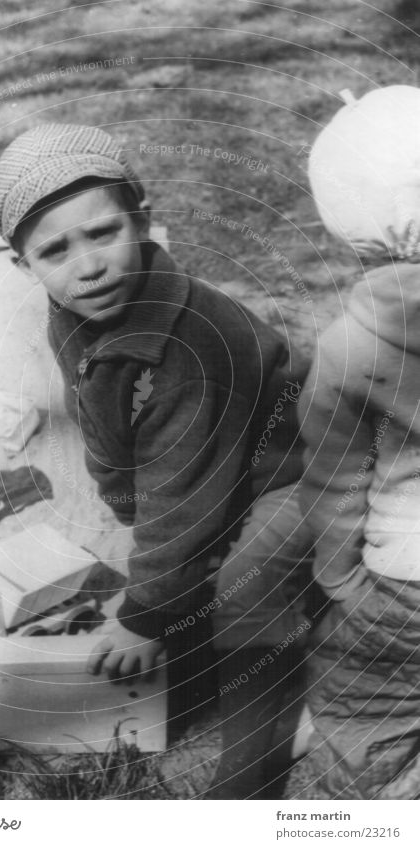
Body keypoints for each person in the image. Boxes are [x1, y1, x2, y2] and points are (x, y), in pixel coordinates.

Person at [0, 122, 312, 798]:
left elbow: (186, 499)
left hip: (297, 478)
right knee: (173, 573)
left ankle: (254, 767)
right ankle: (184, 649)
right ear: (24, 267)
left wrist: (144, 612)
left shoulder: (191, 349)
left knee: (246, 591)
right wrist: (127, 514)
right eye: (54, 249)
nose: (87, 264)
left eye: (103, 233)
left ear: (142, 220)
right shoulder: (77, 312)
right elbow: (107, 426)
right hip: (216, 476)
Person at [298, 84, 420, 799]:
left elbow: (335, 475)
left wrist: (341, 576)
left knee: (353, 702)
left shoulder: (349, 348)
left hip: (407, 578)